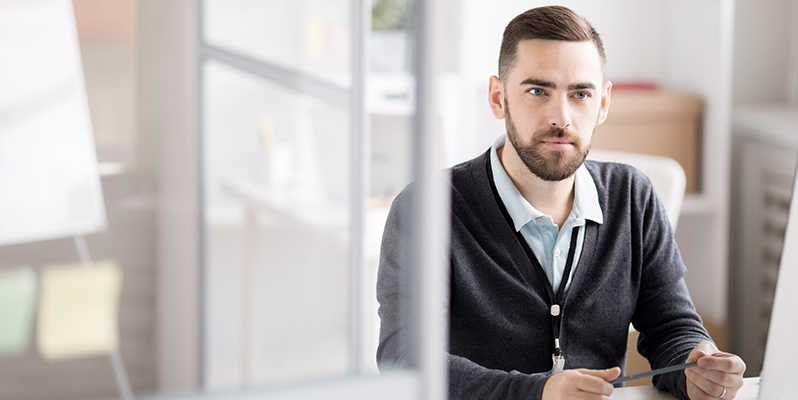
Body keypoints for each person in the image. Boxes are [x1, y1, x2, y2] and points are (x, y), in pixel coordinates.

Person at [375, 5, 746, 400]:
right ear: (498, 98)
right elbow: (406, 359)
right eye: (538, 91)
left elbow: (672, 326)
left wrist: (697, 364)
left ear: (602, 104)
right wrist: (538, 393)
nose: (561, 117)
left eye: (580, 94)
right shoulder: (426, 210)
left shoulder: (633, 198)